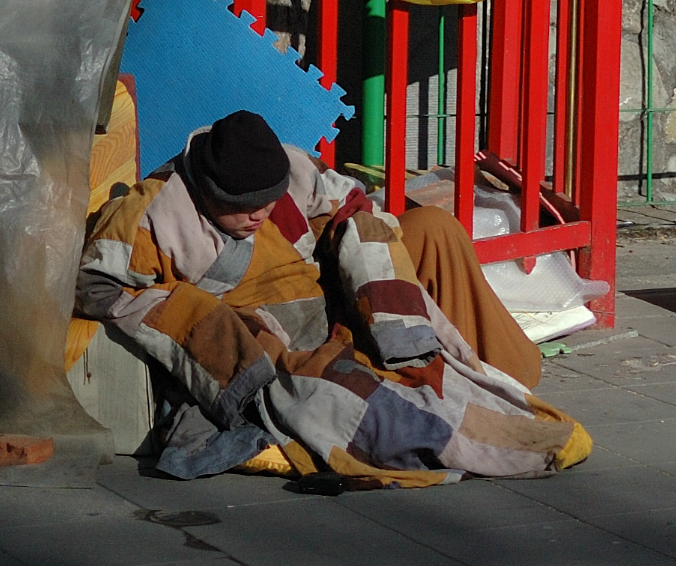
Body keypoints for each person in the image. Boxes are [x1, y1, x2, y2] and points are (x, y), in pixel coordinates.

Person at [74, 109, 590, 484]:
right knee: (377, 408)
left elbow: (350, 205)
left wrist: (374, 289)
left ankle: (467, 369)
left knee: (432, 228)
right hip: (274, 331)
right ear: (209, 191)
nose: (259, 216)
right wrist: (197, 314)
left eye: (267, 202)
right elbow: (96, 283)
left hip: (336, 295)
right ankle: (452, 413)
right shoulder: (156, 211)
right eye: (243, 207)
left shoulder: (292, 170)